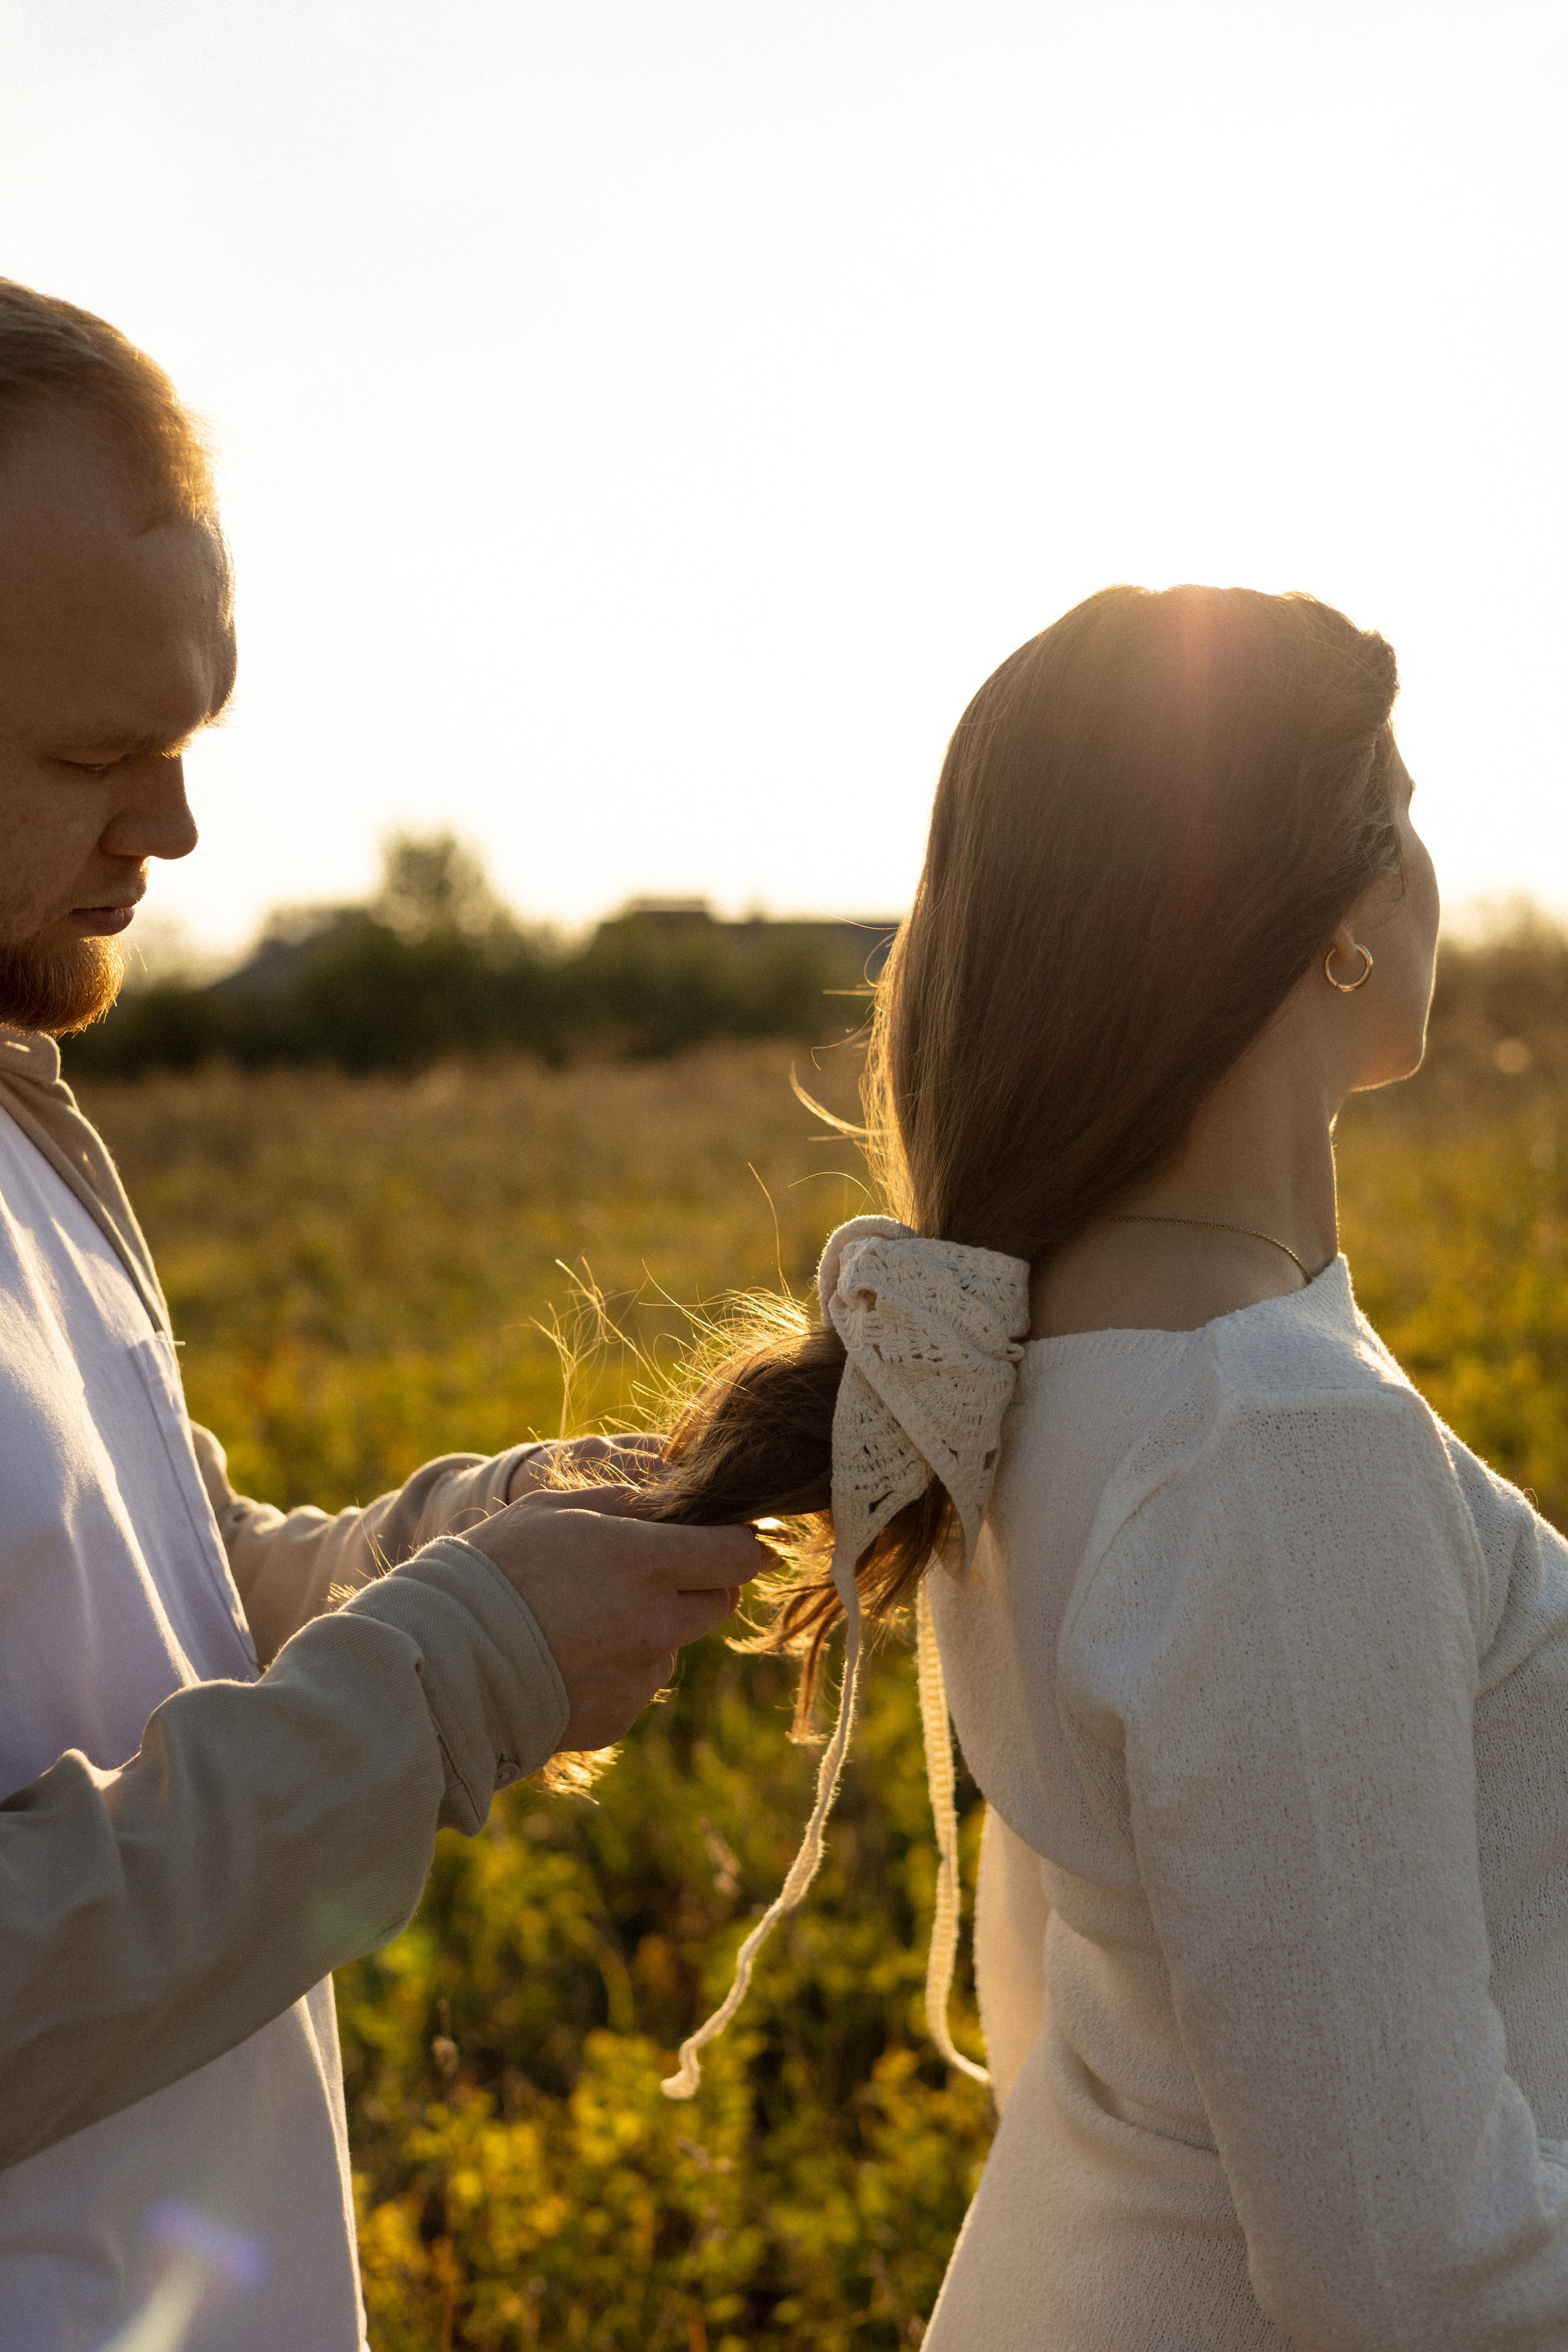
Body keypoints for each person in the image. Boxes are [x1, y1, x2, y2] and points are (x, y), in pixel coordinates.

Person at [630, 581, 1568, 2346]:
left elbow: (1074, 2001)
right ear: (1331, 918)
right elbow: (1412, 2274)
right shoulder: (1276, 1449)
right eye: (1414, 810)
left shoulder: (1038, 1366)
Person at [0, 277, 761, 2350]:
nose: (171, 828)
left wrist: (453, 1549)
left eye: (187, 740)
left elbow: (153, 1609)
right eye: (97, 752)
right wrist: (451, 1681)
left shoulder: (25, 1126)